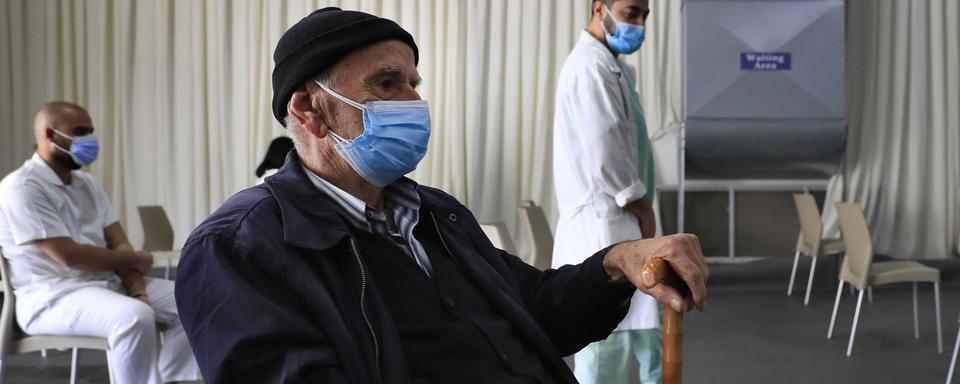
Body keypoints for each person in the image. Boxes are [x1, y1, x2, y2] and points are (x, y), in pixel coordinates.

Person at [175, 7, 707, 384]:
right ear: (310, 110)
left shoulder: (432, 214)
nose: (414, 101)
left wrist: (618, 262)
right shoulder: (240, 249)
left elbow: (536, 309)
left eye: (413, 82)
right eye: (387, 84)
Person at [0, 102, 200, 384]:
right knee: (134, 317)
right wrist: (133, 262)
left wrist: (136, 286)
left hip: (107, 284)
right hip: (51, 296)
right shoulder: (21, 187)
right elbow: (69, 256)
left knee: (198, 300)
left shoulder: (88, 185)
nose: (89, 141)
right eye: (79, 132)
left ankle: (166, 379)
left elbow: (119, 241)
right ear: (50, 134)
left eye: (91, 132)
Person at [552, 1, 661, 383]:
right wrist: (643, 207)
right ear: (600, 9)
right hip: (604, 225)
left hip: (620, 222)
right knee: (605, 346)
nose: (640, 24)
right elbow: (607, 154)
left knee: (644, 337)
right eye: (632, 13)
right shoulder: (590, 68)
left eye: (645, 16)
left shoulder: (612, 67)